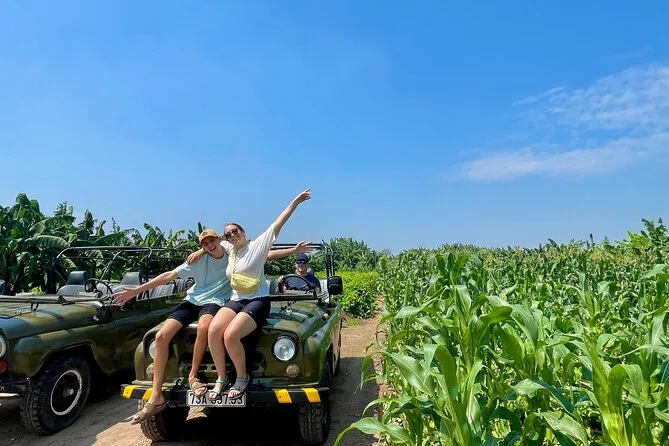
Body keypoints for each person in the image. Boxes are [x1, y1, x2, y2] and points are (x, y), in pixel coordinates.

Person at [113, 229, 308, 424]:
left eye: (212, 241)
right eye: (205, 244)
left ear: (219, 240)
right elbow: (169, 275)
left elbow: (264, 254)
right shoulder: (198, 259)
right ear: (202, 246)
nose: (210, 245)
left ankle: (194, 376)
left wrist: (294, 250)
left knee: (205, 328)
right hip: (193, 300)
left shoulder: (232, 251)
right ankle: (156, 395)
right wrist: (137, 291)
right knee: (160, 336)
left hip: (217, 302)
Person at [187, 188, 312, 400]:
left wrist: (296, 201)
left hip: (257, 300)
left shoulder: (257, 245)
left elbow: (278, 222)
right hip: (236, 300)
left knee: (230, 335)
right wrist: (200, 251)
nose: (232, 235)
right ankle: (221, 378)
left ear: (243, 231)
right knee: (213, 330)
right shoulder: (230, 249)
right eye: (228, 234)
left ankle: (241, 377)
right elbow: (213, 244)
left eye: (235, 231)